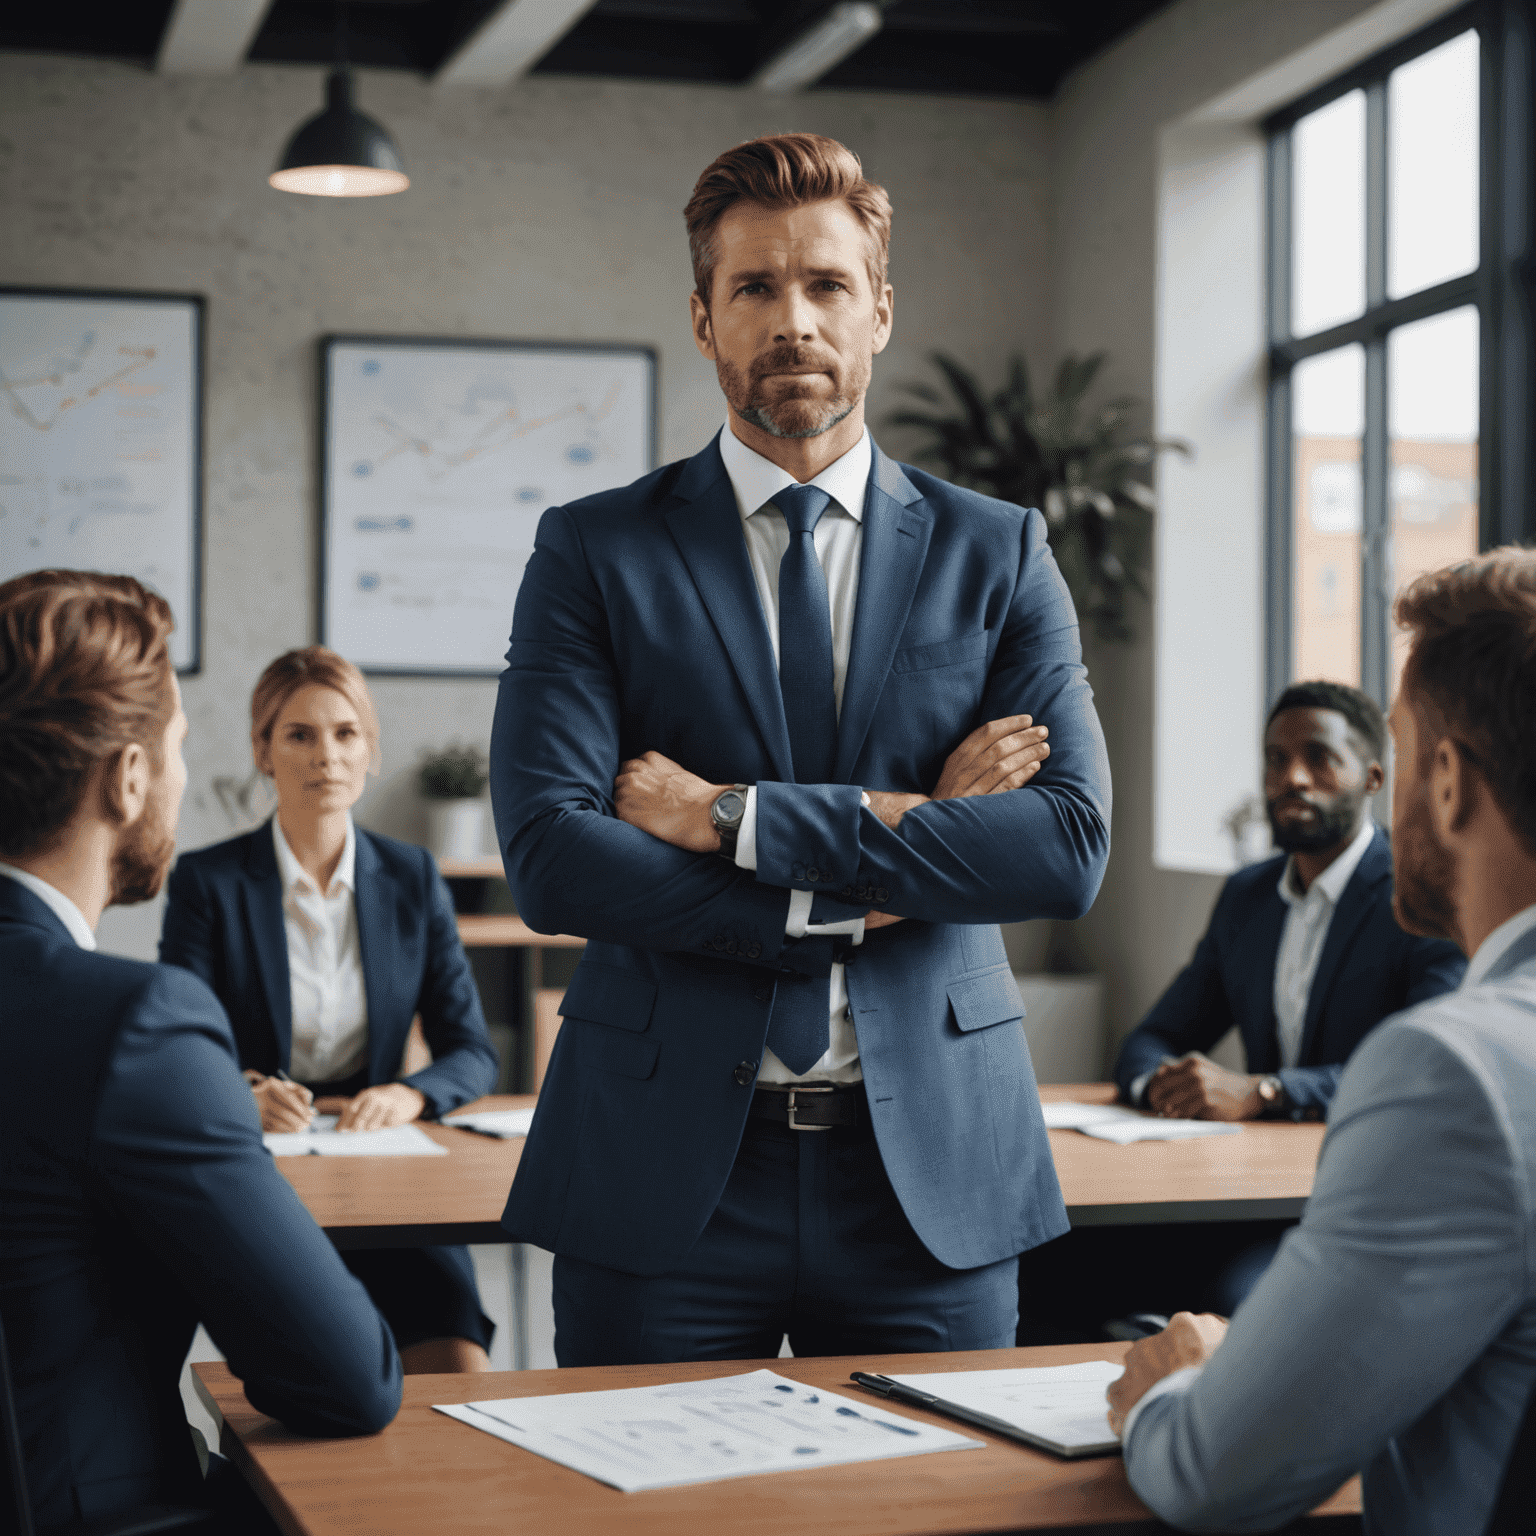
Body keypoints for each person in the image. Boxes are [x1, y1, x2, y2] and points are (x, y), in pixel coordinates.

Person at [491, 132, 1111, 1367]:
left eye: (827, 285)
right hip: (659, 1171)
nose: (794, 320)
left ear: (879, 309)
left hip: (927, 1175)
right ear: (704, 318)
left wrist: (732, 819)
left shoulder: (999, 550)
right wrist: (907, 840)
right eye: (755, 289)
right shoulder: (592, 551)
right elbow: (556, 859)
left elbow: (1063, 847)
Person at [1110, 547, 1536, 1533]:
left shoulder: (1456, 1070)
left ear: (1442, 778)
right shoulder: (1250, 900)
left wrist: (1184, 1386)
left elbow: (1213, 1475)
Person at [0, 571, 401, 1532]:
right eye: (177, 750)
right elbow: (349, 1381)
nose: (181, 780)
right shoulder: (134, 1024)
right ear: (128, 777)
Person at [1015, 682, 1467, 1340]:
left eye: (1319, 758)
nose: (1292, 779)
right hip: (1238, 1197)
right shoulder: (1248, 898)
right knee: (1052, 1263)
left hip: (1353, 1200)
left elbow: (1420, 1069)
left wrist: (1264, 1091)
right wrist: (1163, 1086)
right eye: (1275, 760)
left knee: (1224, 1293)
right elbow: (1153, 1036)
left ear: (1372, 777)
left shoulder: (1418, 899)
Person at [159, 645, 500, 1374]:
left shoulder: (412, 879)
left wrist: (409, 1095)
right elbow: (175, 1046)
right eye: (299, 735)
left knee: (459, 1370)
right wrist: (241, 1096)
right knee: (323, 1374)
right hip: (265, 1178)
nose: (327, 756)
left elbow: (471, 1050)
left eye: (346, 734)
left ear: (371, 750)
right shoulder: (207, 883)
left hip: (384, 1171)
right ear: (262, 750)